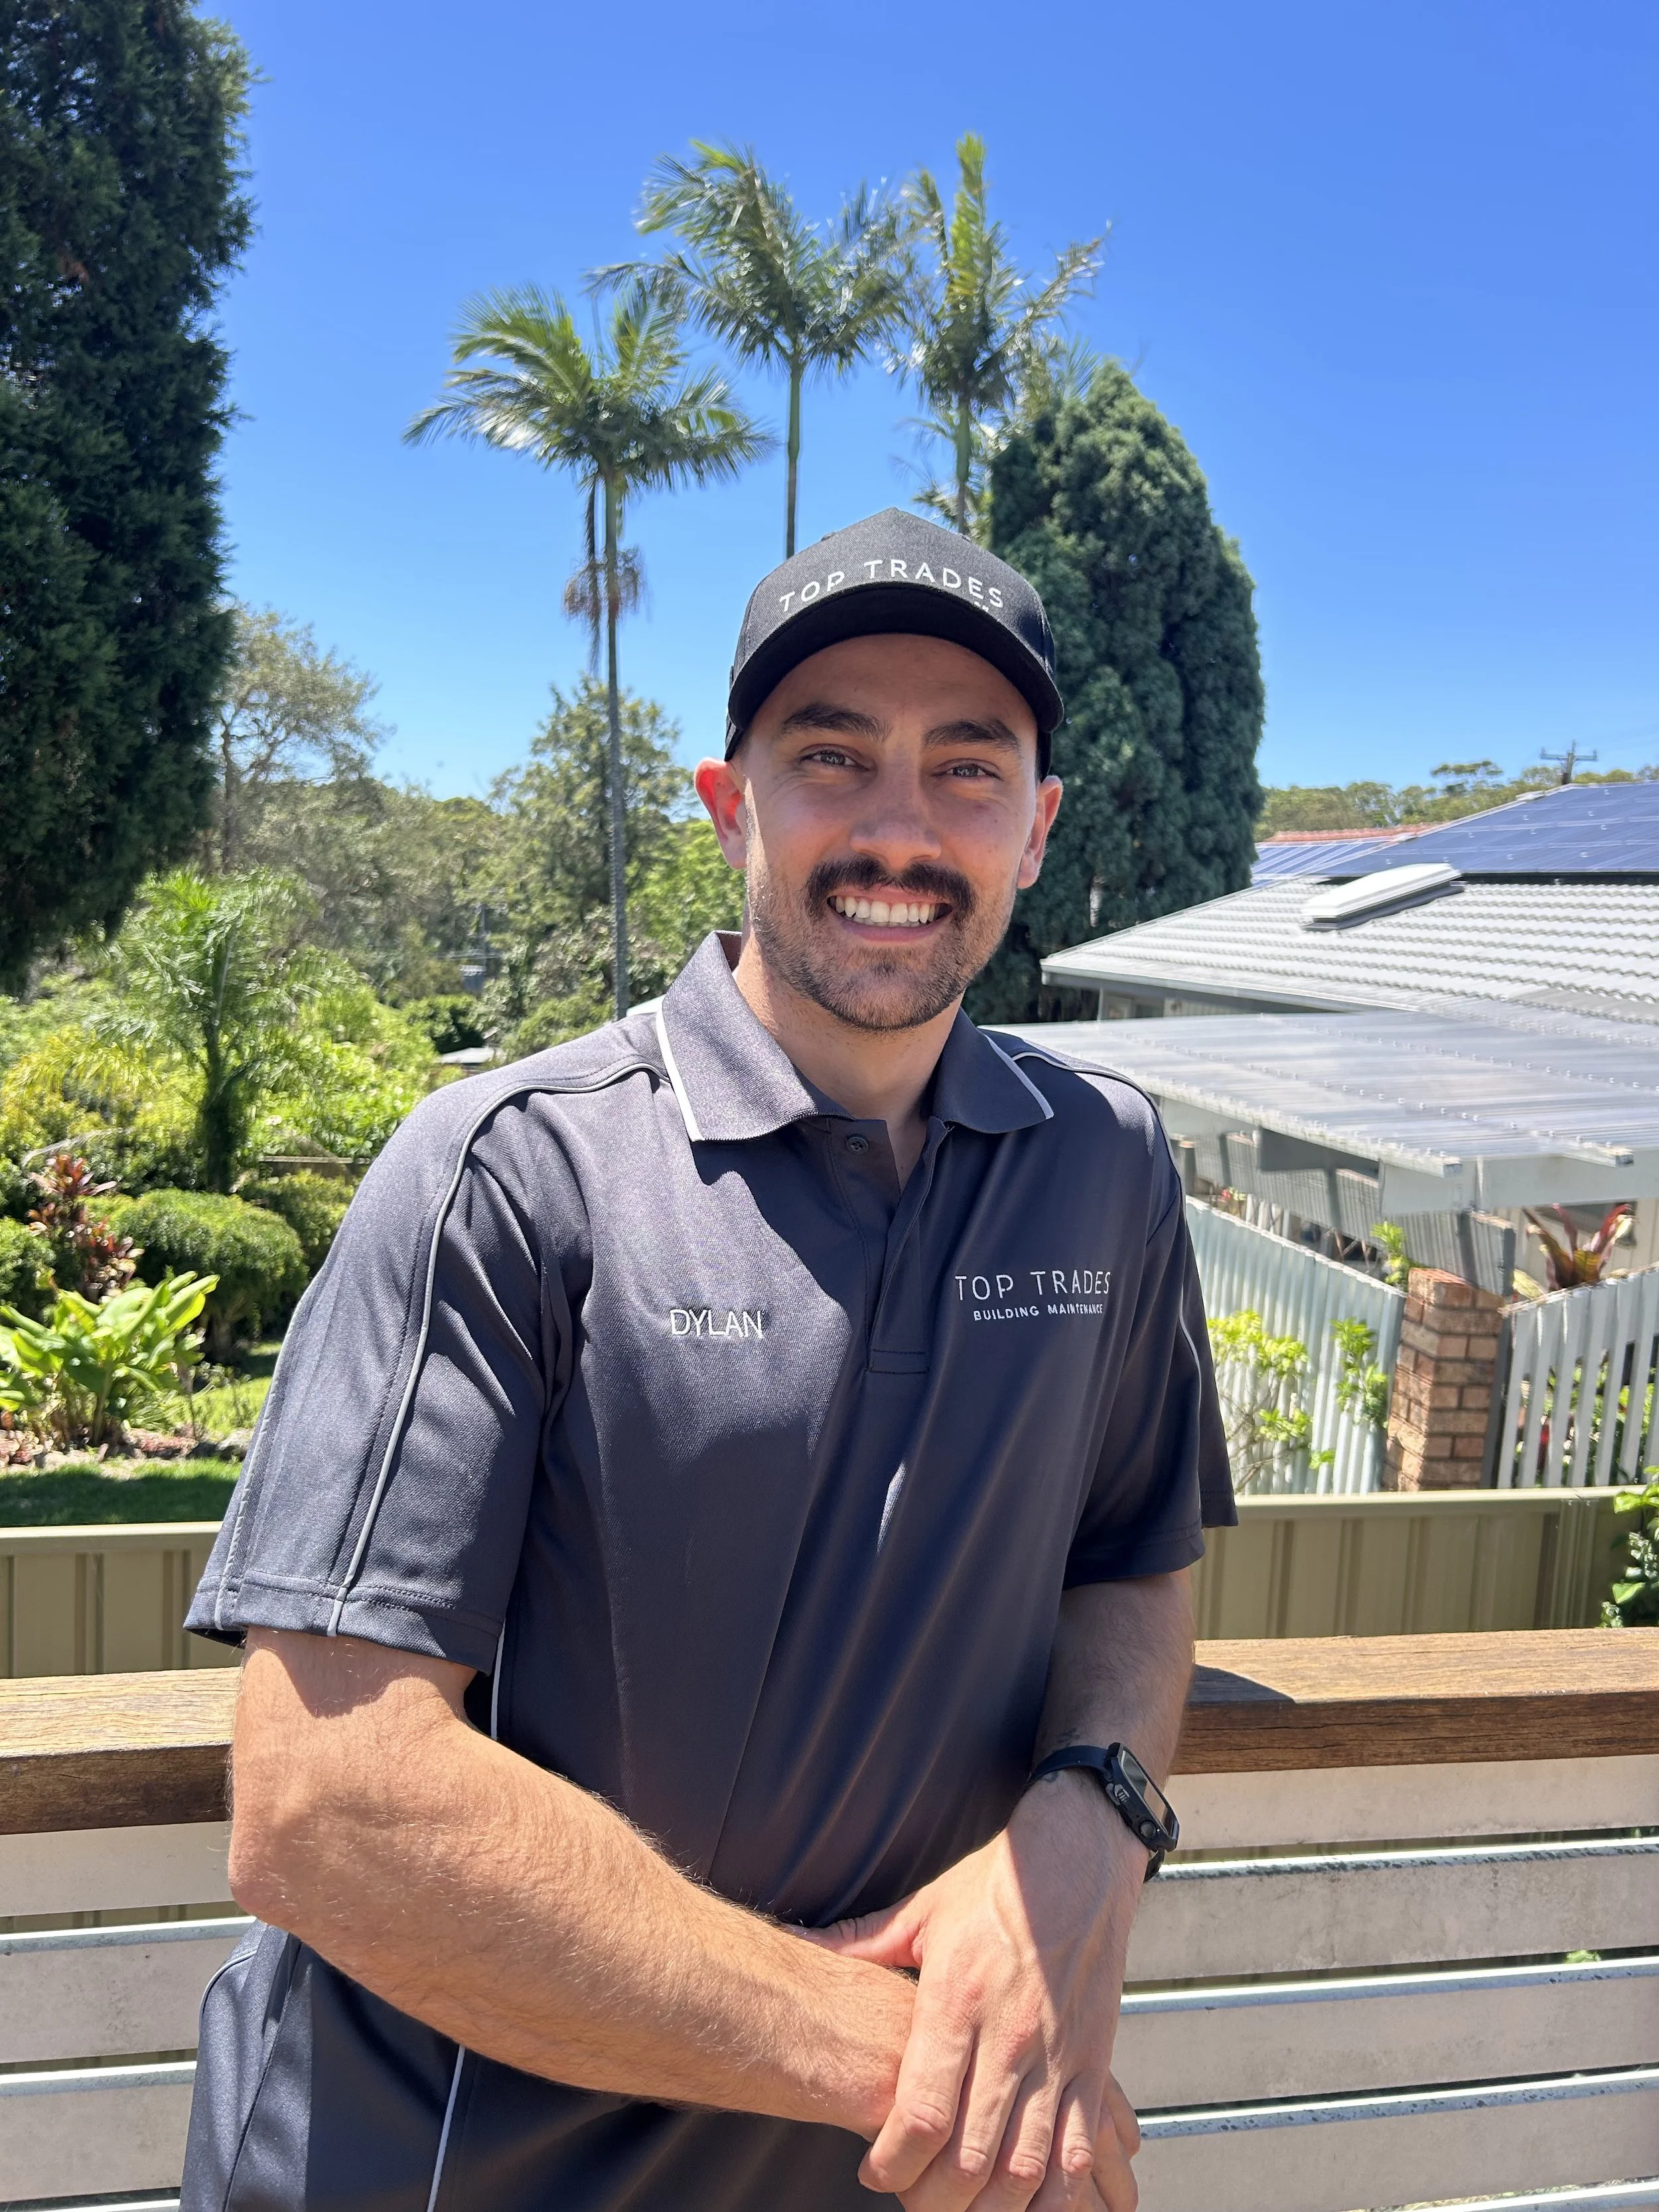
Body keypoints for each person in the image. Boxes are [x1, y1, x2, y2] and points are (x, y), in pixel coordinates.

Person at [182, 506, 1233, 2212]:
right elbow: (327, 1804)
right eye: (832, 756)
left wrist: (1094, 1807)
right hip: (449, 2171)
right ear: (727, 802)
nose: (899, 827)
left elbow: (1131, 1558)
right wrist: (940, 2075)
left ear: (1036, 829)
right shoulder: (507, 1171)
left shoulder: (1102, 1169)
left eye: (966, 771)